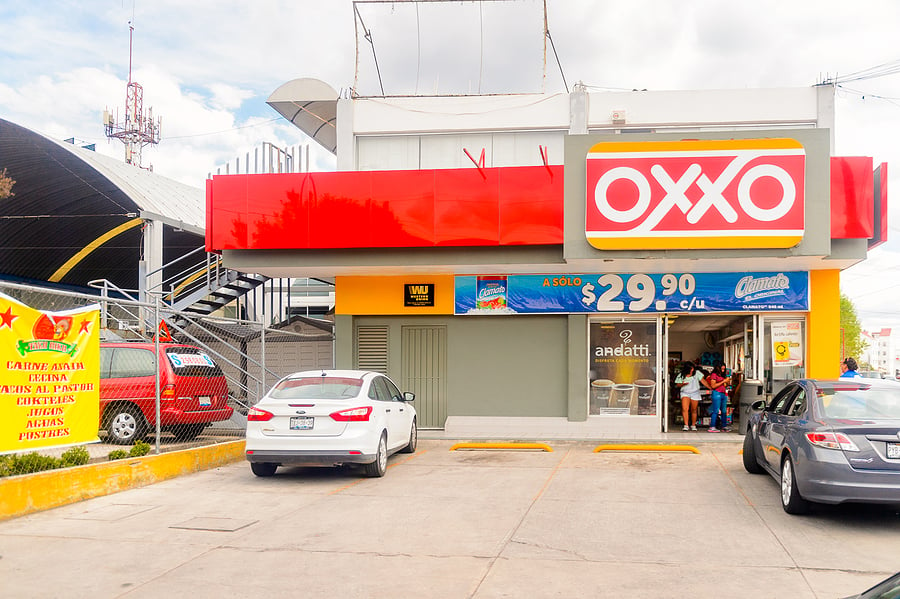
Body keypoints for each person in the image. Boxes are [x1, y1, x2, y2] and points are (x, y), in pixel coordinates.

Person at [675, 361, 705, 431]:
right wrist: (683, 384)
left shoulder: (697, 373)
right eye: (691, 369)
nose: (692, 370)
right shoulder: (681, 375)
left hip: (695, 393)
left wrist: (710, 387)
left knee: (694, 410)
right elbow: (677, 384)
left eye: (693, 368)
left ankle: (693, 425)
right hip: (685, 392)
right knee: (685, 409)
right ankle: (686, 425)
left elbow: (703, 381)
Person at [705, 361, 731, 432]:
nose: (723, 370)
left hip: (723, 393)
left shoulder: (723, 375)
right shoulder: (713, 375)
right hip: (717, 393)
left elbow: (726, 385)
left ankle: (724, 426)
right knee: (716, 410)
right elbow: (713, 386)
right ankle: (712, 426)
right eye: (721, 369)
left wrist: (727, 382)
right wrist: (723, 381)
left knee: (724, 411)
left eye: (724, 369)